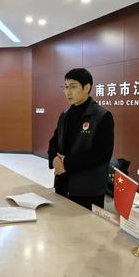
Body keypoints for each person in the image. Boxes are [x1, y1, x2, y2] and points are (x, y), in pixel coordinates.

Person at [47, 68, 114, 210]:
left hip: (88, 189)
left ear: (87, 87)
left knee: (87, 224)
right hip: (62, 183)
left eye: (73, 87)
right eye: (65, 87)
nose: (68, 92)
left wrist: (66, 163)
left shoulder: (102, 116)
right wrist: (54, 159)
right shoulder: (65, 115)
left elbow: (102, 154)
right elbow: (54, 142)